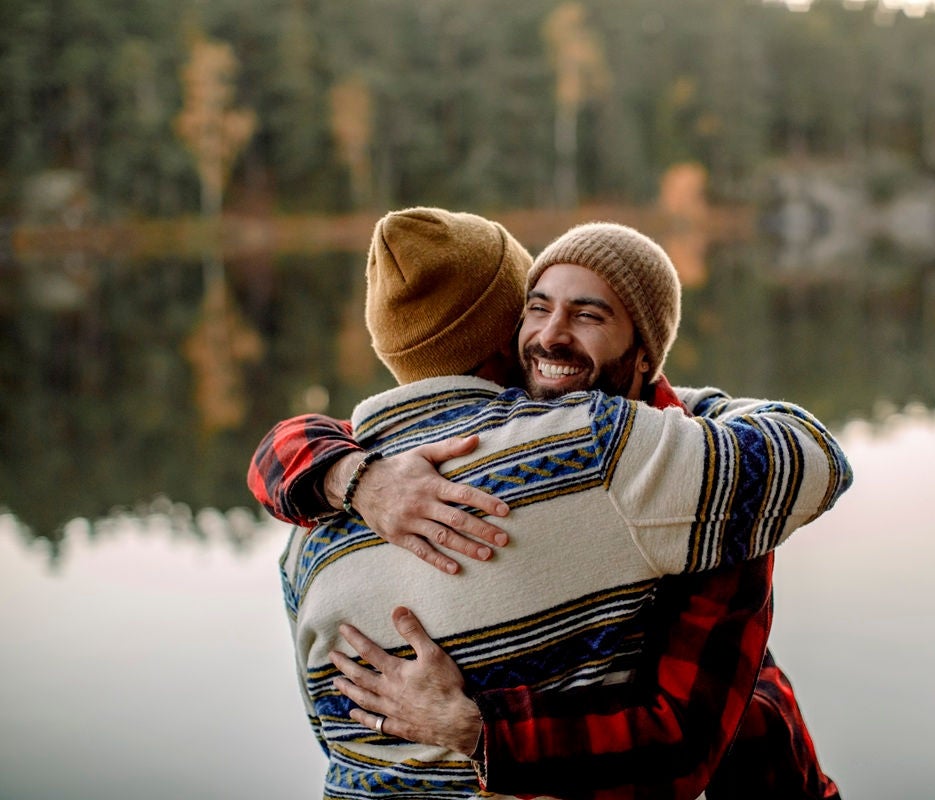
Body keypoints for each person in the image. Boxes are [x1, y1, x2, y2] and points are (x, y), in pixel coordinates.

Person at [264, 213, 849, 799]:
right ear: (504, 325)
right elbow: (814, 455)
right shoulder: (608, 450)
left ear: (646, 354)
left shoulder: (308, 529)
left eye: (588, 314)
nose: (549, 335)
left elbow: (327, 730)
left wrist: (473, 728)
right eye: (536, 307)